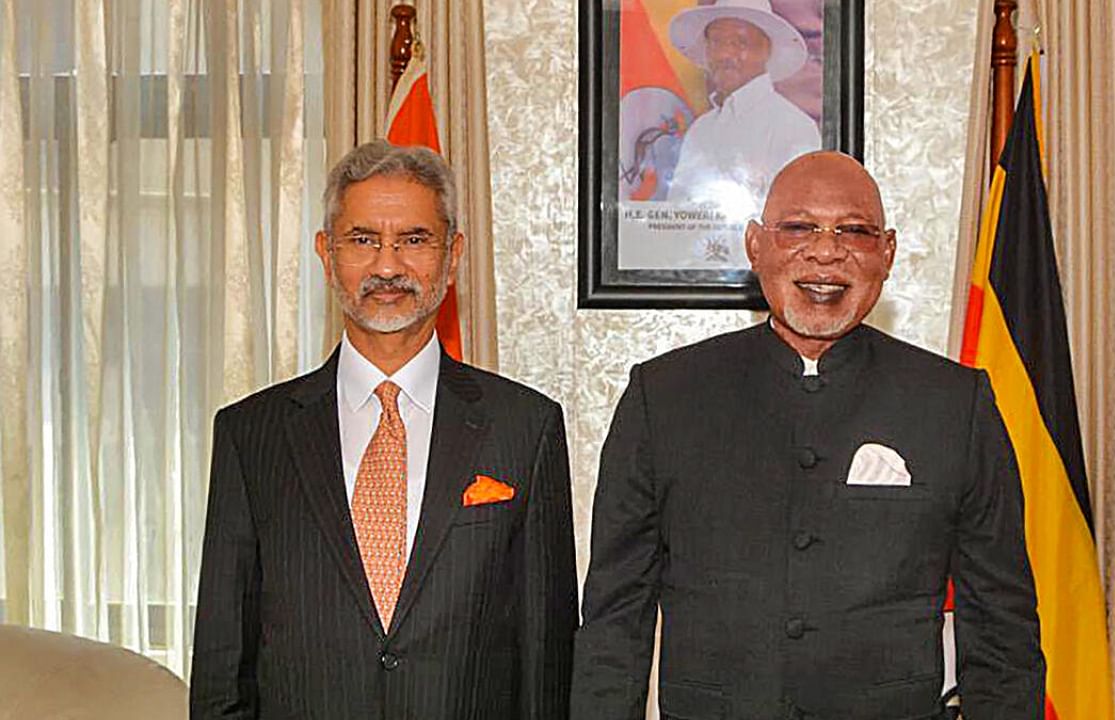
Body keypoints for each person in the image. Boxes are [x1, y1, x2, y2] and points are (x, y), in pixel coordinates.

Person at [571, 151, 1045, 719]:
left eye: (854, 231)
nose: (825, 252)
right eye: (798, 228)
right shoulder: (663, 396)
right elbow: (614, 621)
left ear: (887, 253)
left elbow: (1001, 626)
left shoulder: (954, 404)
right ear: (755, 245)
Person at [190, 140, 577, 720]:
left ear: (452, 257)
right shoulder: (252, 435)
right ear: (327, 254)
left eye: (415, 240)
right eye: (364, 240)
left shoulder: (526, 428)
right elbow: (224, 664)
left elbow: (547, 662)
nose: (388, 266)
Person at [666, 0, 822, 205]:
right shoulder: (700, 130)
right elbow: (675, 214)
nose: (724, 55)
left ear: (766, 50)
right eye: (716, 42)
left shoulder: (794, 128)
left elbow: (798, 220)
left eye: (739, 43)